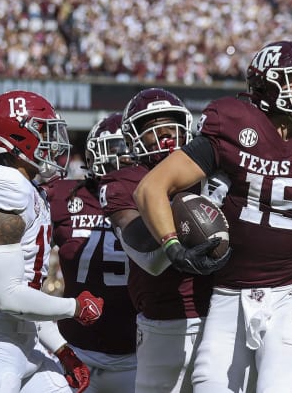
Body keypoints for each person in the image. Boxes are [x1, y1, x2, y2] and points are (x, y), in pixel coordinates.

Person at [133, 41, 292, 392]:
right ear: (265, 85)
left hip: (291, 298)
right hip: (228, 296)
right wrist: (173, 246)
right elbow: (151, 188)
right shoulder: (232, 123)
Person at [0, 90, 105, 393]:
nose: (53, 142)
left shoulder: (28, 189)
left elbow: (26, 295)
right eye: (44, 131)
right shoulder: (3, 185)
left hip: (24, 341)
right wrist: (74, 307)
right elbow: (9, 296)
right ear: (17, 138)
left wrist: (62, 349)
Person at [98, 87, 223, 392]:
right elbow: (149, 258)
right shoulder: (124, 181)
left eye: (170, 124)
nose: (164, 133)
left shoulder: (210, 168)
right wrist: (193, 211)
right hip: (165, 320)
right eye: (151, 127)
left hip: (224, 312)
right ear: (132, 137)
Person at [45, 112, 137, 392]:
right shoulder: (63, 196)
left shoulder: (156, 195)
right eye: (115, 151)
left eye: (129, 152)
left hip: (137, 356)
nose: (122, 160)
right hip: (74, 350)